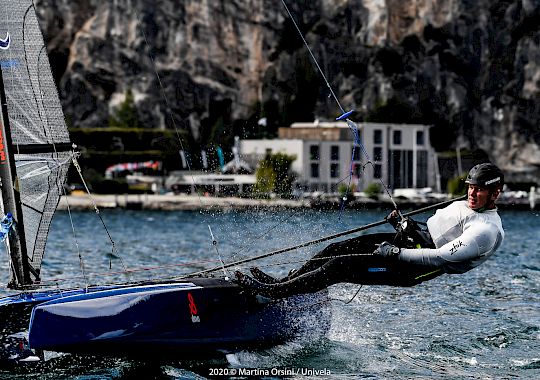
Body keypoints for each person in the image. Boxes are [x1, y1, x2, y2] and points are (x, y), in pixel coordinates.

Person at [235, 162, 505, 299]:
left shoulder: (485, 231)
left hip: (411, 265)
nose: (472, 193)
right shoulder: (470, 206)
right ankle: (283, 283)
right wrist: (404, 225)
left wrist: (397, 253)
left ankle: (271, 293)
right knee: (335, 249)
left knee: (339, 266)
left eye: (479, 189)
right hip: (406, 243)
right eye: (470, 187)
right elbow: (434, 232)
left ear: (495, 193)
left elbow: (439, 256)